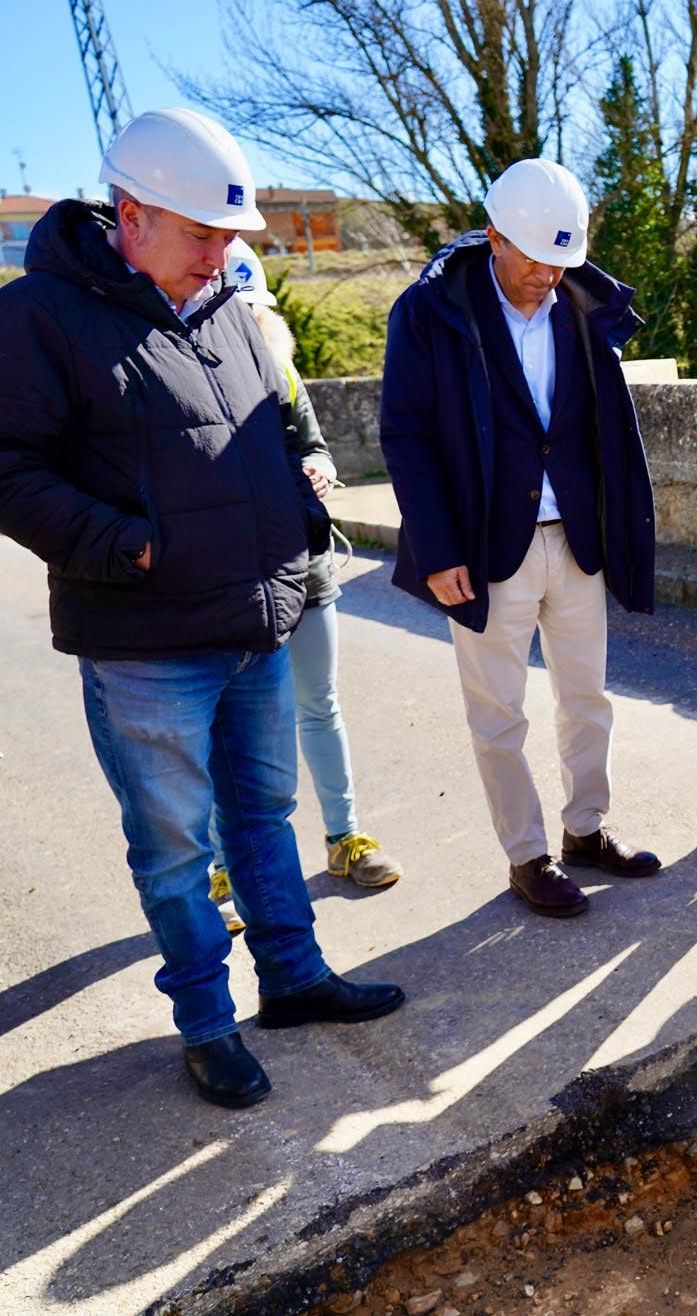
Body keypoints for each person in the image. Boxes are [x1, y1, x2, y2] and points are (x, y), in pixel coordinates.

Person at [0, 108, 406, 1109]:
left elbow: (267, 431)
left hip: (254, 624)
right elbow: (10, 469)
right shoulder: (38, 317)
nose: (223, 253)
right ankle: (206, 1023)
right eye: (203, 233)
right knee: (178, 850)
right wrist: (129, 543)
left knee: (263, 817)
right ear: (130, 217)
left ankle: (294, 978)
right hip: (146, 644)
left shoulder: (228, 304)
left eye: (231, 236)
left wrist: (300, 519)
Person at [379, 158, 661, 918]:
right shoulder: (429, 311)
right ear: (494, 236)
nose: (548, 273)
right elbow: (405, 435)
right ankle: (526, 854)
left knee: (588, 698)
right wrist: (437, 550)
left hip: (574, 537)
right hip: (483, 545)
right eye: (534, 256)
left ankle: (586, 830)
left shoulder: (580, 304)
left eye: (562, 259)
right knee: (499, 713)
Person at [206, 241, 403, 935]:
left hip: (305, 573)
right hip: (222, 585)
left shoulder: (284, 375)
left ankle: (346, 838)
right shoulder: (177, 375)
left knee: (319, 705)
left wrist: (319, 469)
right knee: (220, 726)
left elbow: (316, 445)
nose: (246, 323)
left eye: (253, 310)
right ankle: (223, 866)